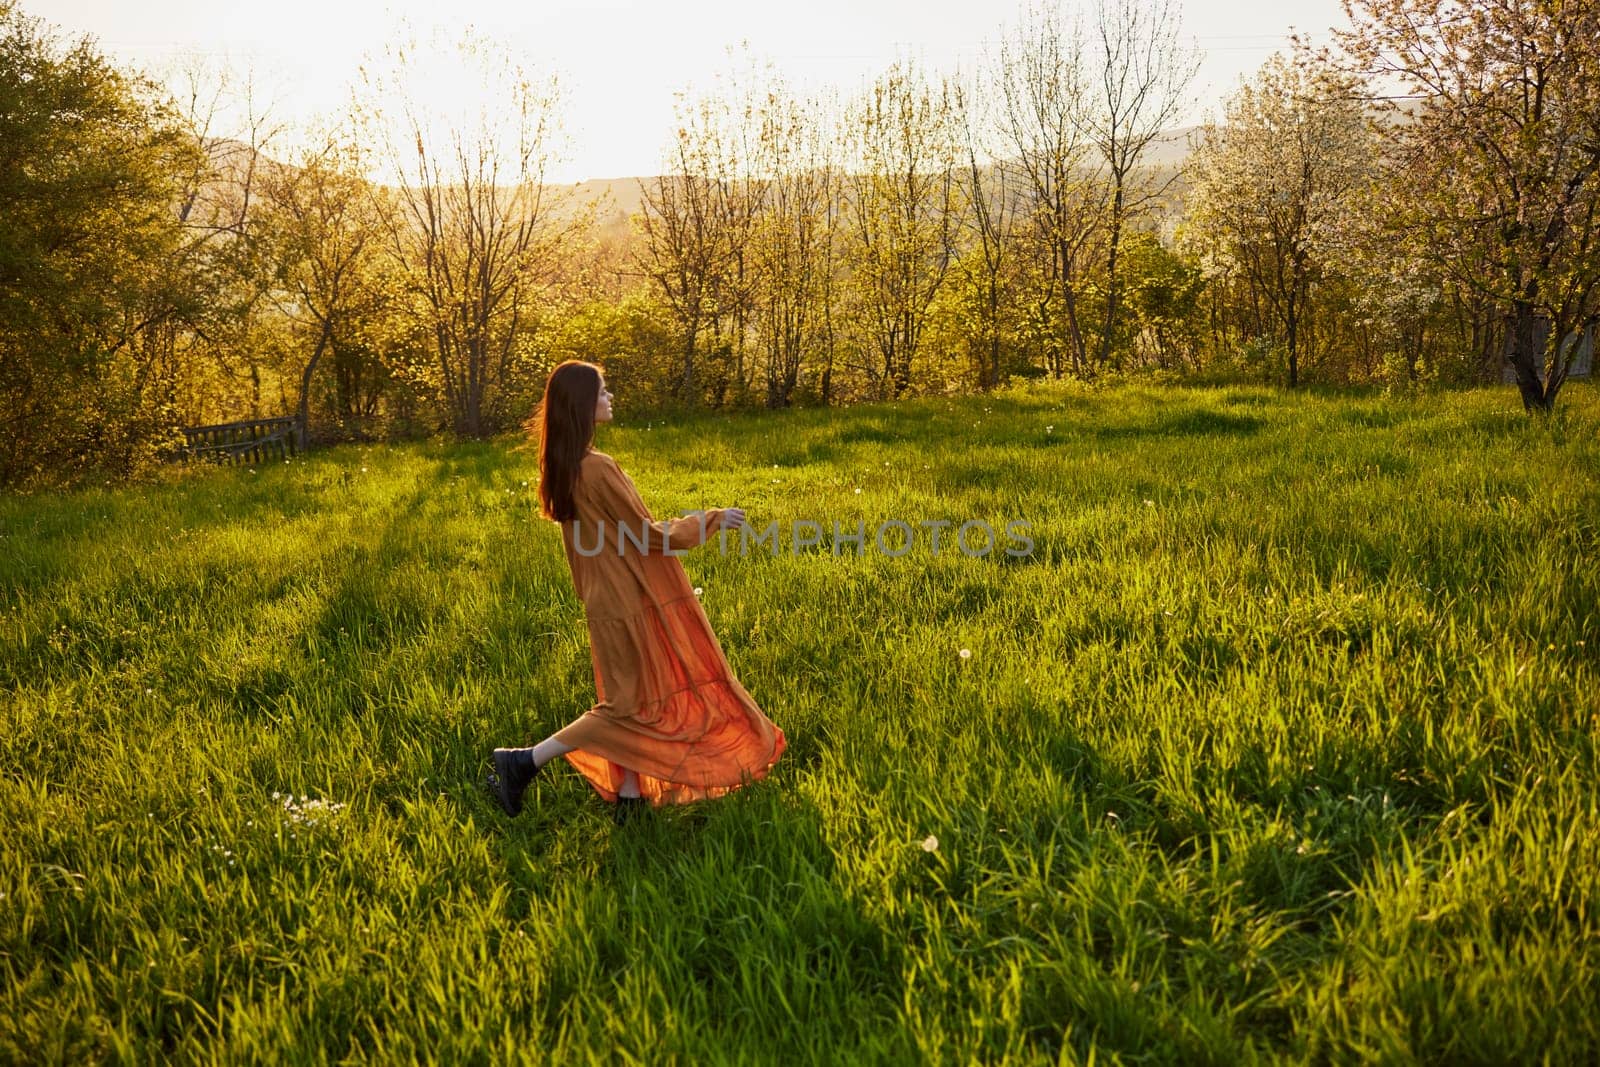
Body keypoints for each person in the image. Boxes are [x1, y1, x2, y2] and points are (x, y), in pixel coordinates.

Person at [491, 360, 786, 823]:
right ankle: (523, 761)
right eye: (603, 391)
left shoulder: (564, 467)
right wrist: (710, 520)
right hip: (625, 601)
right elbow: (646, 535)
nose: (610, 398)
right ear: (584, 404)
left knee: (639, 702)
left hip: (606, 600)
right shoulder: (597, 469)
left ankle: (629, 802)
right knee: (624, 706)